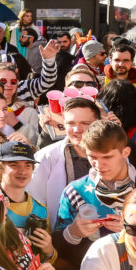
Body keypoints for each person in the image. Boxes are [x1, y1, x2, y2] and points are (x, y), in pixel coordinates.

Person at [26, 97, 102, 228]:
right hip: (60, 234)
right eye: (71, 123)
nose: (77, 129)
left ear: (98, 123)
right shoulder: (46, 157)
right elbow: (34, 202)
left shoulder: (113, 155)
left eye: (85, 123)